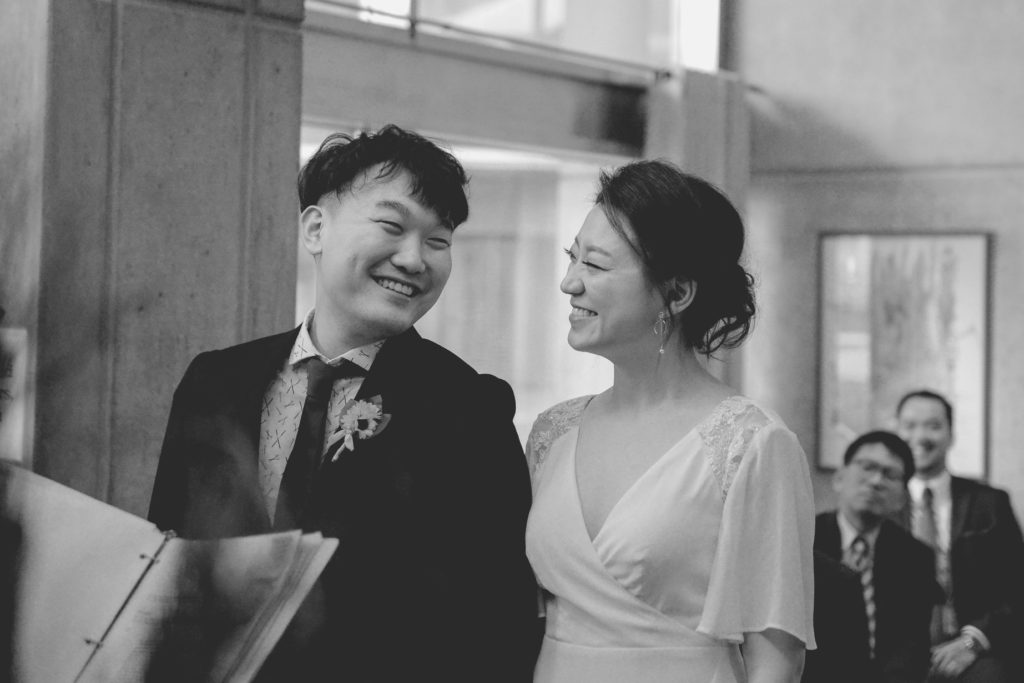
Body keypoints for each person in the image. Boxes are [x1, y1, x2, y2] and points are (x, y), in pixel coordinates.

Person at [148, 125, 540, 682]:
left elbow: (497, 620)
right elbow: (169, 561)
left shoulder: (468, 408)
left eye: (439, 241)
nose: (414, 259)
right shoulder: (214, 381)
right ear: (315, 228)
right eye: (392, 226)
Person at [524, 160, 815, 683]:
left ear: (677, 294)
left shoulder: (751, 444)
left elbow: (776, 657)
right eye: (572, 259)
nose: (570, 283)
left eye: (595, 264)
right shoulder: (552, 432)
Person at [896, 390, 1024, 682]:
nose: (921, 435)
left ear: (951, 435)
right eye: (910, 425)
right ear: (897, 431)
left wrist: (973, 640)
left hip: (973, 648)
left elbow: (1018, 588)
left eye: (933, 425)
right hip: (898, 652)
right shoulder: (883, 505)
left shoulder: (990, 503)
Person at [812, 430, 939, 683]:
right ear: (839, 477)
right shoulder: (805, 540)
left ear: (902, 498)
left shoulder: (916, 557)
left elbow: (910, 648)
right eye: (867, 467)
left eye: (890, 474)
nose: (876, 481)